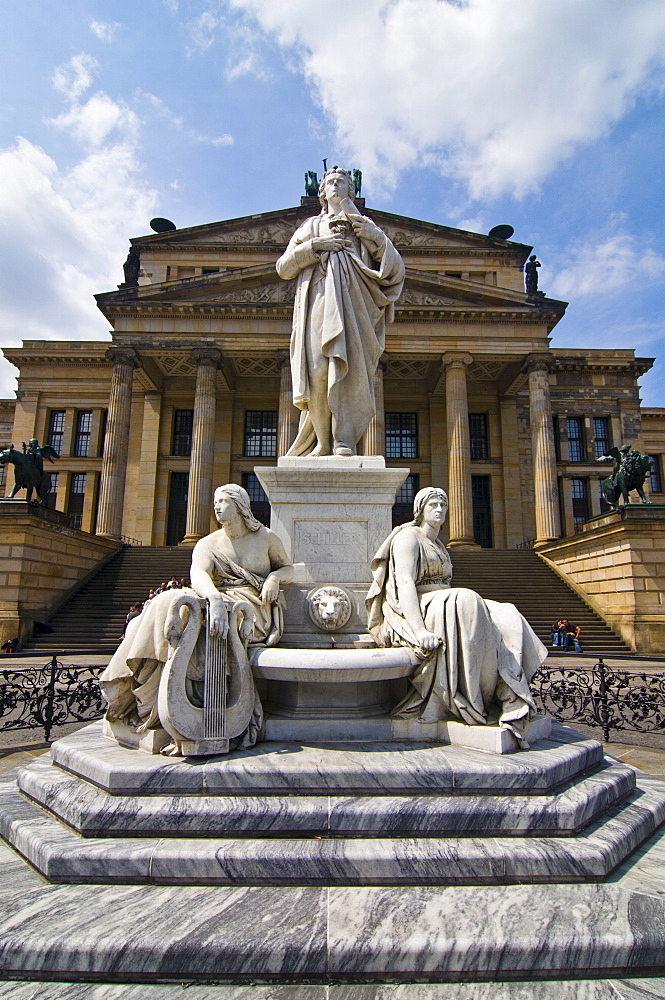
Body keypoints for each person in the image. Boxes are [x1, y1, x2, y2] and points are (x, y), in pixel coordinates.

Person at [99, 484, 294, 740]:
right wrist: (213, 597)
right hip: (214, 596)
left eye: (223, 502)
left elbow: (289, 569)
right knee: (167, 602)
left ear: (240, 506)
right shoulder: (208, 543)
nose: (216, 507)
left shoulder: (266, 538)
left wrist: (274, 579)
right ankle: (146, 694)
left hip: (252, 606)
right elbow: (198, 574)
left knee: (197, 617)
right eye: (215, 502)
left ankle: (191, 706)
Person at [366, 487, 547, 744]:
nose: (439, 510)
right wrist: (419, 631)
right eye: (433, 505)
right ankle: (475, 700)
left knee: (506, 612)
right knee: (467, 598)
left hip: (446, 603)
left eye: (443, 505)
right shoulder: (408, 537)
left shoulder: (439, 545)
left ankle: (508, 694)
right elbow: (405, 583)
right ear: (419, 510)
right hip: (418, 606)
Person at [276, 167, 405, 457]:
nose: (335, 186)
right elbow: (283, 267)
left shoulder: (364, 225)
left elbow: (394, 269)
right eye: (330, 182)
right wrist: (315, 246)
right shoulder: (311, 226)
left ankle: (343, 439)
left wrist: (376, 238)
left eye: (341, 182)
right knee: (318, 371)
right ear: (321, 192)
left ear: (351, 190)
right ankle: (323, 442)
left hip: (355, 306)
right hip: (319, 302)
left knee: (349, 374)